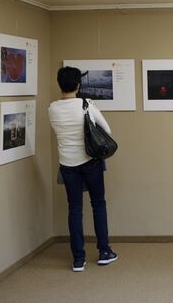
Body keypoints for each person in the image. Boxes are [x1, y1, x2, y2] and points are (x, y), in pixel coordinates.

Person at [48, 66, 118, 272]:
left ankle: (78, 259)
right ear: (78, 85)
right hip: (91, 162)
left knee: (74, 209)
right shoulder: (86, 104)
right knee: (98, 204)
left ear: (60, 85)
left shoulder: (52, 108)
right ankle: (104, 252)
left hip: (67, 165)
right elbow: (107, 130)